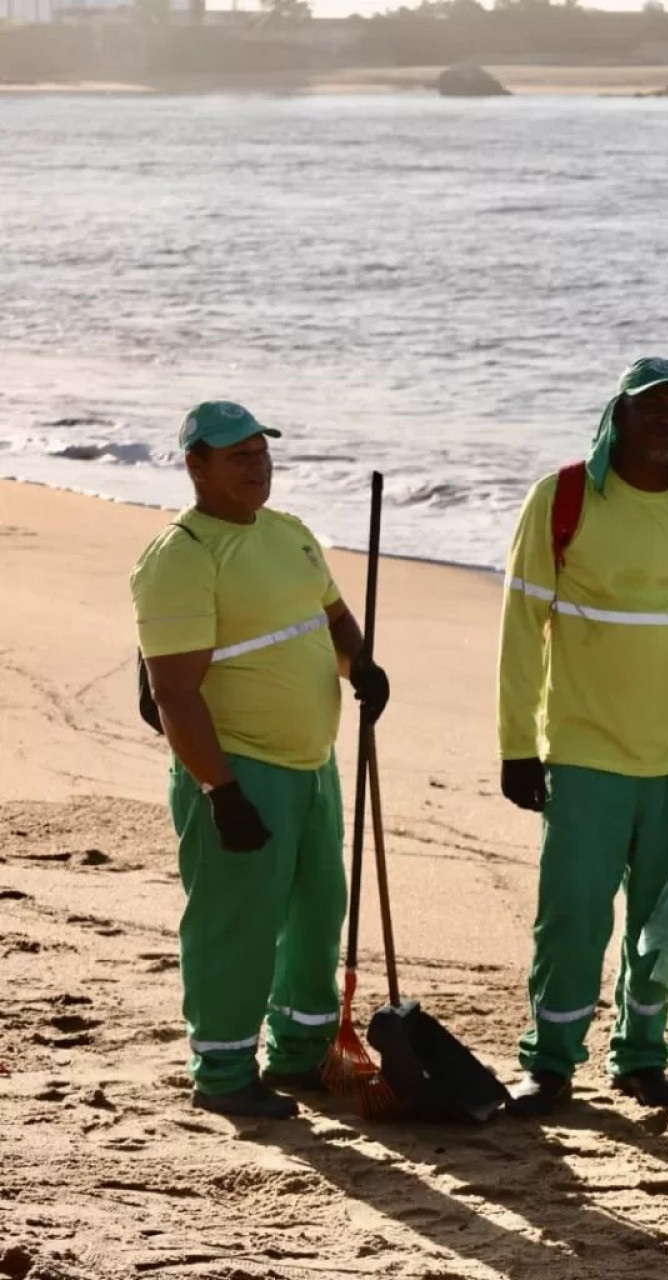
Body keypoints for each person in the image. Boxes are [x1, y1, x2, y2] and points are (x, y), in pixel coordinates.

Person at [496, 356, 668, 1116]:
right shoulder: (564, 498)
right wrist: (516, 743)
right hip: (585, 754)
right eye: (653, 407)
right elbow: (520, 626)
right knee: (572, 918)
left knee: (661, 922)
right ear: (619, 416)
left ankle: (641, 1056)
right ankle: (550, 1062)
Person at [131, 401, 389, 1119]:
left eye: (261, 451)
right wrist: (221, 790)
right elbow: (173, 692)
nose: (257, 466)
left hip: (314, 765)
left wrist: (362, 666)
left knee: (317, 913)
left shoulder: (291, 533)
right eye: (237, 455)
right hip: (238, 769)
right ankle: (222, 1075)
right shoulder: (182, 554)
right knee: (235, 922)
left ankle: (300, 1055)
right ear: (196, 465)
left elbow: (335, 620)